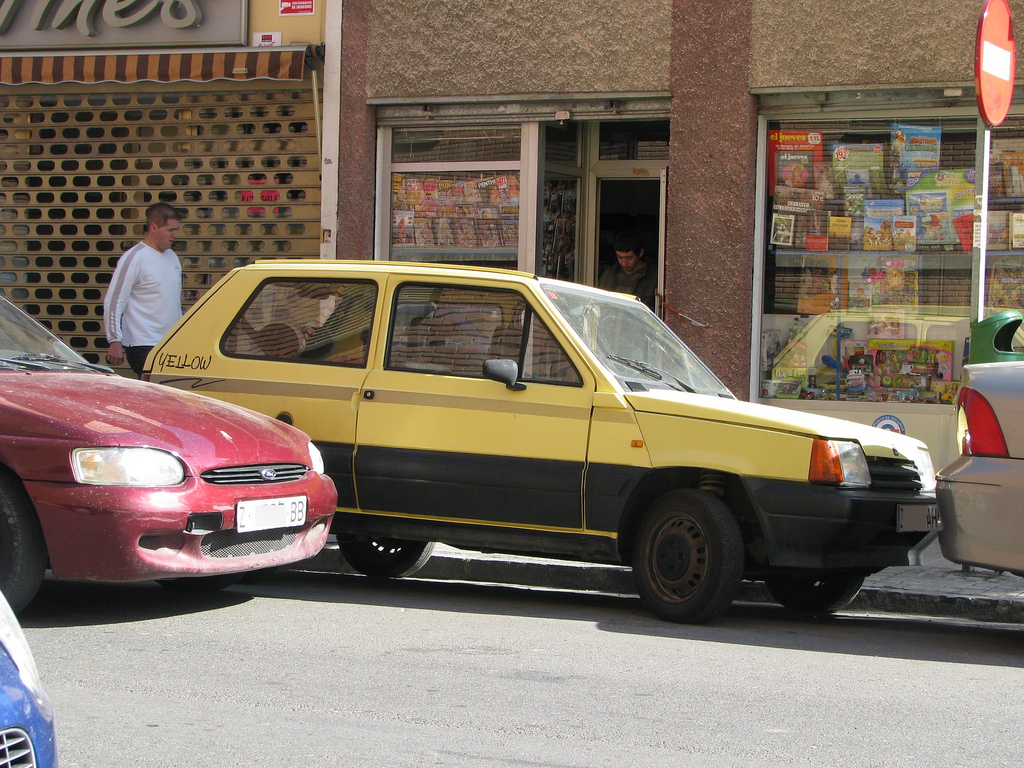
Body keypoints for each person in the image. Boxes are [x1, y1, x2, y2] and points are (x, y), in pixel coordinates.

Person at [103, 202, 183, 377]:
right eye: (170, 230)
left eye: (177, 229)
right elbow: (115, 300)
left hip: (170, 342)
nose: (175, 235)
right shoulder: (135, 257)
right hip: (143, 342)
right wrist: (115, 339)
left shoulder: (172, 256)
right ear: (154, 227)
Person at [598, 230, 657, 310]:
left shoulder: (654, 277)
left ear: (640, 253)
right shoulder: (608, 275)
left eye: (629, 258)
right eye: (620, 257)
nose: (624, 263)